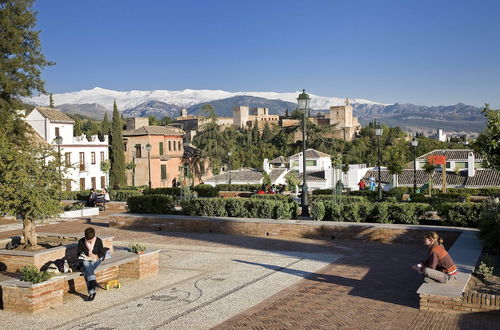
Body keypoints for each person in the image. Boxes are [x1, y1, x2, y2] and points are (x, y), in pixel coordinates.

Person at [77, 227, 106, 301]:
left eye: (91, 239)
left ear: (93, 236)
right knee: (86, 265)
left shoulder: (98, 241)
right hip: (86, 260)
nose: (89, 241)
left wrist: (96, 256)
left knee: (86, 269)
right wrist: (86, 256)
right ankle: (93, 286)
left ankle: (92, 290)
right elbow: (79, 254)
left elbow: (102, 253)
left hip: (96, 260)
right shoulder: (81, 241)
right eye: (88, 239)